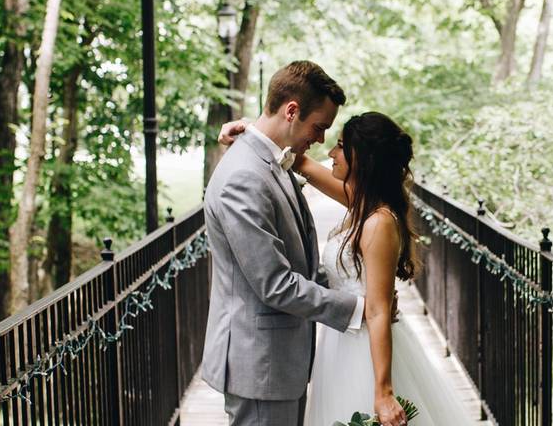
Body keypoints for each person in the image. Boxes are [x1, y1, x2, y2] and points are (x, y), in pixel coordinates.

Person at [219, 111, 473, 426]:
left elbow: (379, 311)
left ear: (362, 160)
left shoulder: (378, 222)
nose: (330, 153)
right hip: (339, 340)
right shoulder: (361, 201)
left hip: (364, 352)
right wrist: (245, 129)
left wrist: (383, 391)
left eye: (340, 146)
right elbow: (298, 160)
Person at [202, 61, 371, 426]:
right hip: (259, 364)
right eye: (319, 127)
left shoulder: (272, 160)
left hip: (279, 361)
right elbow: (275, 284)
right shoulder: (243, 177)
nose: (321, 139)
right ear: (292, 110)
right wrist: (358, 308)